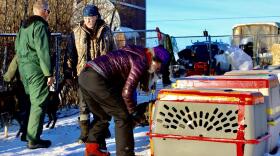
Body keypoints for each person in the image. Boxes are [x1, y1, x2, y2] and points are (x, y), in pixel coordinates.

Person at [78, 45, 170, 156]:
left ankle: (92, 149)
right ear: (155, 60)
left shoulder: (136, 53)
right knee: (122, 116)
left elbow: (122, 89)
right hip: (98, 78)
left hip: (85, 76)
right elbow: (126, 93)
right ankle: (125, 153)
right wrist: (133, 112)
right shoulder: (141, 61)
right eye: (159, 68)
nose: (157, 71)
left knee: (102, 116)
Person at [66, 4, 114, 143]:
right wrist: (69, 71)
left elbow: (114, 52)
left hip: (102, 75)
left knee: (101, 104)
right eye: (86, 18)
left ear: (96, 17)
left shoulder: (106, 32)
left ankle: (103, 130)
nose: (88, 20)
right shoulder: (76, 33)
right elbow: (70, 54)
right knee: (83, 105)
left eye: (91, 17)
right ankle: (84, 134)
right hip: (83, 74)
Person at [14, 0, 54, 149]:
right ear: (43, 11)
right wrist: (48, 74)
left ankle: (27, 133)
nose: (49, 14)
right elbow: (42, 52)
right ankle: (33, 139)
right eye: (48, 11)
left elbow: (17, 48)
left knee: (30, 102)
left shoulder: (23, 27)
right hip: (36, 69)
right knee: (39, 103)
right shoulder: (40, 26)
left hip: (24, 70)